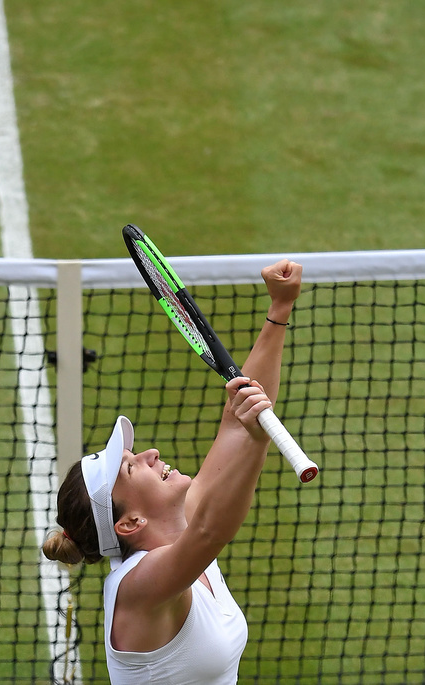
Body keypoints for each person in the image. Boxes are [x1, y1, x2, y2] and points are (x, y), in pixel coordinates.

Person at [43, 259, 303, 684]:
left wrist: (279, 310)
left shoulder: (179, 529)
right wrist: (259, 440)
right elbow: (211, 532)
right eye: (131, 467)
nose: (149, 453)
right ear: (130, 522)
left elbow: (238, 420)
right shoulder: (137, 589)